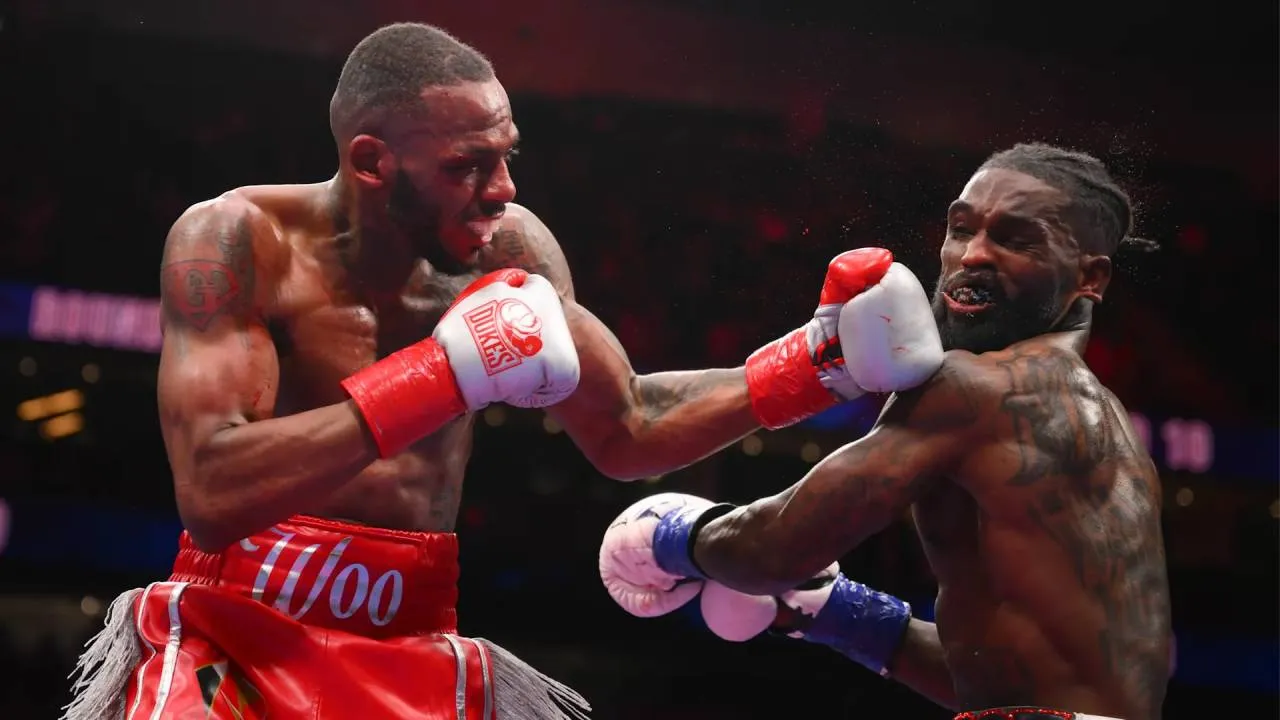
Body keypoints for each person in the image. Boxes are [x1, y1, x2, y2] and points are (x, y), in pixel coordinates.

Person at [62, 22, 945, 720]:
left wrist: (810, 368)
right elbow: (213, 492)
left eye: (507, 154)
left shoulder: (507, 252)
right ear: (372, 163)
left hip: (413, 641)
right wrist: (441, 376)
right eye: (467, 167)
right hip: (238, 634)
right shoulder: (234, 241)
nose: (503, 189)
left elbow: (628, 425)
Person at [599, 143, 1172, 720]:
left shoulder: (977, 387)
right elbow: (1010, 679)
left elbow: (772, 550)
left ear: (1089, 276)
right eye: (960, 228)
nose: (972, 256)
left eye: (1014, 239)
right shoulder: (1116, 436)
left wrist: (674, 535)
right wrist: (836, 610)